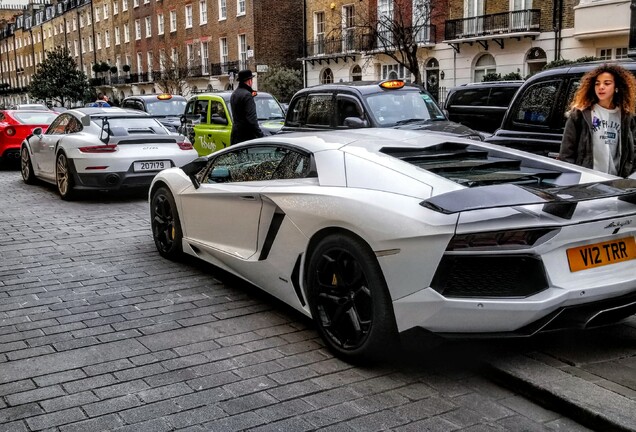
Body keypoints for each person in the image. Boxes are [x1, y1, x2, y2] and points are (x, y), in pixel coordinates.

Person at [558, 63, 636, 177]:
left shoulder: (626, 117)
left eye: (607, 83)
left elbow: (632, 152)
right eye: (597, 84)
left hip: (616, 182)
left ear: (617, 87)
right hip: (587, 182)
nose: (601, 87)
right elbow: (566, 154)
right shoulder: (580, 114)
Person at [230, 69, 264, 145]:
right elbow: (252, 120)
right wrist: (261, 135)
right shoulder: (247, 95)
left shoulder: (234, 94)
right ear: (249, 81)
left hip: (235, 136)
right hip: (247, 138)